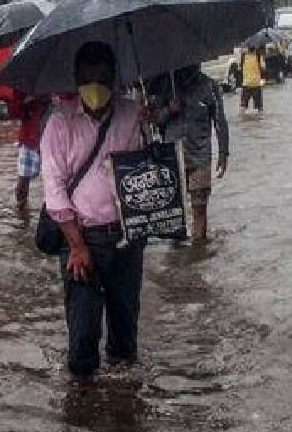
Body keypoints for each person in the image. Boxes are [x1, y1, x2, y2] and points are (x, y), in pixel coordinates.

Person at [40, 41, 146, 377]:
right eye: (88, 79)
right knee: (83, 339)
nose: (95, 87)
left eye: (102, 78)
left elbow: (146, 171)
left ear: (115, 78)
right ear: (75, 80)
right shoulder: (59, 126)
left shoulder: (134, 115)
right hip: (82, 241)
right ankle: (83, 409)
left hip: (127, 239)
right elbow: (54, 192)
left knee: (125, 337)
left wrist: (157, 126)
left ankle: (124, 410)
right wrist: (77, 246)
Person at [148, 65, 229, 242]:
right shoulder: (164, 85)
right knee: (174, 210)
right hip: (172, 157)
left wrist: (223, 152)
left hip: (200, 157)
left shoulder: (209, 86)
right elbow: (153, 122)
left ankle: (198, 249)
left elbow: (220, 120)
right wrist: (169, 110)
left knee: (199, 206)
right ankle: (178, 250)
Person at [7, 90, 49, 212]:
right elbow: (13, 112)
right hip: (30, 138)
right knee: (23, 179)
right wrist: (24, 102)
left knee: (56, 180)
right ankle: (21, 210)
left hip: (55, 138)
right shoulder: (24, 86)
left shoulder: (60, 82)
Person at [238, 45, 266, 112]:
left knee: (243, 106)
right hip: (256, 84)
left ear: (248, 48)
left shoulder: (243, 56)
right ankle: (259, 121)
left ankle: (243, 120)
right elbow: (264, 68)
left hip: (246, 84)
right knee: (259, 107)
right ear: (255, 48)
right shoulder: (258, 56)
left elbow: (239, 68)